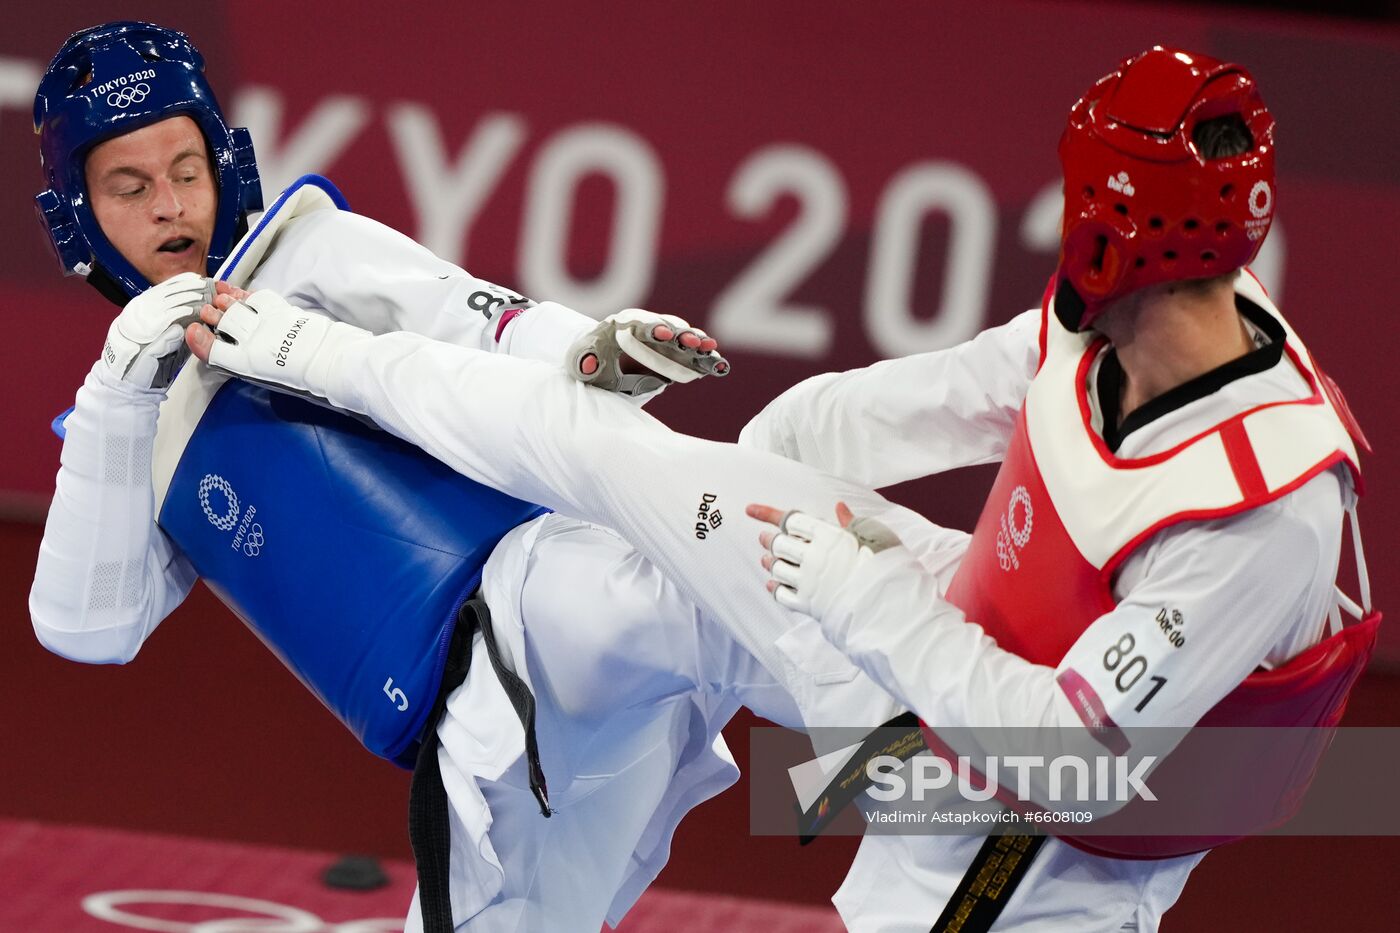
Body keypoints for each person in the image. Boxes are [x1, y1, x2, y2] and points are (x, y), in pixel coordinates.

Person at [186, 47, 1379, 931]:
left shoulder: (1260, 513)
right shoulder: (1157, 314)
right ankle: (298, 347)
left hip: (1042, 833)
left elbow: (1060, 748)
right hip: (924, 646)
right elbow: (959, 390)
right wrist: (774, 452)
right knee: (600, 449)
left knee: (855, 821)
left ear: (1118, 224)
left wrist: (861, 598)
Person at [27, 21, 906, 933]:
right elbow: (88, 628)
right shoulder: (130, 425)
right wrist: (115, 402)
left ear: (226, 167)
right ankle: (976, 789)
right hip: (483, 753)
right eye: (130, 187)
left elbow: (474, 316)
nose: (170, 205)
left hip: (530, 597)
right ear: (79, 218)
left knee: (704, 607)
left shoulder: (303, 255)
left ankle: (1003, 789)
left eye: (185, 170)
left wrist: (587, 349)